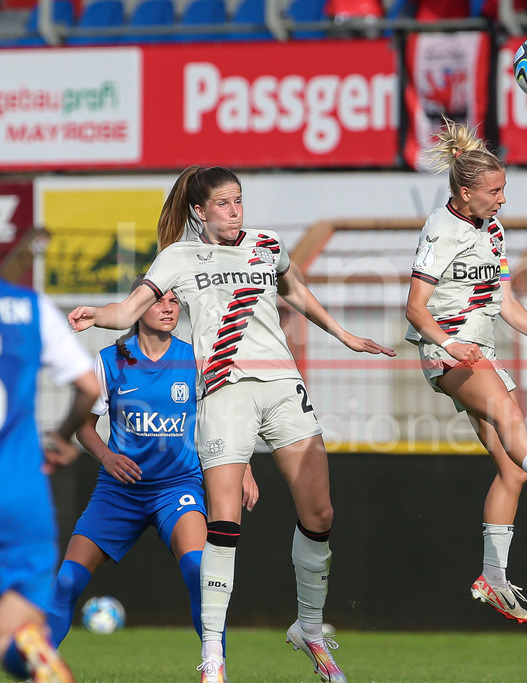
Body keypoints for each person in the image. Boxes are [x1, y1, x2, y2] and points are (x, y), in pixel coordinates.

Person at [67, 165, 396, 683]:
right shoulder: (177, 257)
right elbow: (129, 307)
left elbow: (297, 291)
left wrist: (345, 335)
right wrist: (97, 315)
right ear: (199, 211)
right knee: (223, 524)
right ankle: (214, 656)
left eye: (238, 199)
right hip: (224, 392)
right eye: (223, 202)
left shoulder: (267, 243)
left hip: (282, 385)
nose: (235, 209)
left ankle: (309, 628)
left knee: (320, 513)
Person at [405, 119, 527, 626]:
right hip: (448, 351)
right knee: (507, 411)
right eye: (494, 192)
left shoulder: (491, 230)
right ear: (465, 191)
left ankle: (492, 580)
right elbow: (414, 308)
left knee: (511, 469)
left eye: (504, 190)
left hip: (480, 349)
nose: (502, 200)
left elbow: (504, 300)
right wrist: (450, 344)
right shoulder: (441, 230)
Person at [46, 278, 259, 655]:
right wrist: (107, 457)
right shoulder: (111, 360)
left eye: (175, 302)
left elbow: (225, 417)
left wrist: (244, 468)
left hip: (177, 489)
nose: (168, 308)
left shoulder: (194, 357)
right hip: (119, 493)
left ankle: (215, 668)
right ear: (136, 306)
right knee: (65, 583)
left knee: (200, 574)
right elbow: (83, 425)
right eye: (159, 300)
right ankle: (40, 671)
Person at [0, 276, 100, 683]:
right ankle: (27, 649)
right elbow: (89, 386)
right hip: (21, 491)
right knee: (16, 631)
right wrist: (60, 438)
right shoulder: (30, 307)